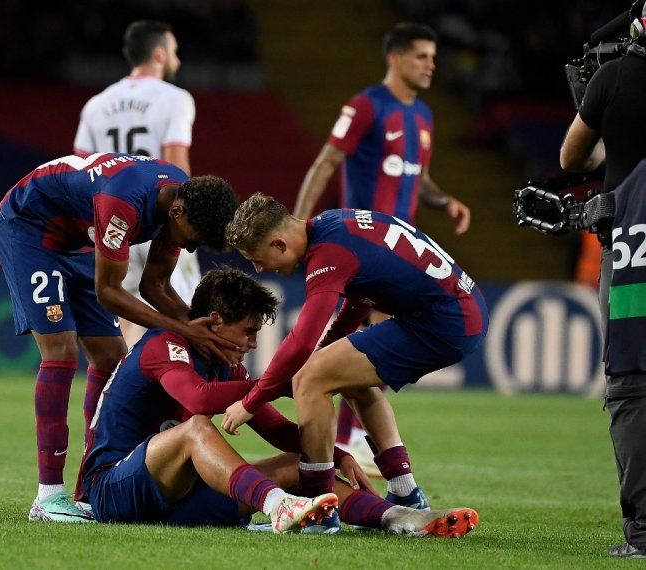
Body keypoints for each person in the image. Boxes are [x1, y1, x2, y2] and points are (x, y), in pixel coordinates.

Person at [77, 268, 479, 537]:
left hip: (177, 502)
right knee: (196, 429)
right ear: (215, 321)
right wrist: (269, 385)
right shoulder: (166, 344)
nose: (252, 344)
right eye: (247, 332)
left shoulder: (227, 367)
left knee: (298, 465)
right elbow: (195, 398)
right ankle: (277, 505)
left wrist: (336, 456)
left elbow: (275, 429)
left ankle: (399, 517)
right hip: (114, 489)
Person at [0, 152, 238, 522]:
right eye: (192, 240)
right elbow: (109, 291)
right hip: (30, 228)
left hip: (78, 241)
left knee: (110, 357)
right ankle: (47, 497)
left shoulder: (179, 197)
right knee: (60, 349)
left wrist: (202, 329)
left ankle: (88, 491)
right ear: (177, 213)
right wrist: (185, 329)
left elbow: (154, 284)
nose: (188, 249)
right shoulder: (122, 203)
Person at [221, 194, 487, 512]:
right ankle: (405, 492)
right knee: (339, 374)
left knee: (312, 377)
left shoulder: (328, 253)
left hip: (445, 321)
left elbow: (301, 341)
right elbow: (358, 301)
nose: (260, 268)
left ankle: (319, 505)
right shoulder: (332, 223)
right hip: (460, 311)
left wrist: (252, 402)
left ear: (280, 244)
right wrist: (319, 359)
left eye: (257, 259)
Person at [293, 22, 472, 469]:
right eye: (421, 56)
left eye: (433, 57)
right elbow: (325, 162)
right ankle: (348, 439)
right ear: (395, 58)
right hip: (361, 252)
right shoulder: (366, 106)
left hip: (402, 252)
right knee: (357, 347)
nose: (431, 65)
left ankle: (351, 439)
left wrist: (444, 200)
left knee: (363, 349)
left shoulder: (423, 116)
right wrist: (299, 221)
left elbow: (419, 178)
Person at [559, 0, 646, 557]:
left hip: (635, 249)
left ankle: (642, 534)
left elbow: (574, 158)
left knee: (632, 385)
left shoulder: (615, 75)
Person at [74, 20, 200, 346]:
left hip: (114, 224)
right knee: (184, 315)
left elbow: (82, 170)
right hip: (161, 220)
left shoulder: (96, 105)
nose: (178, 60)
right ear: (159, 54)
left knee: (126, 321)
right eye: (174, 51)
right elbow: (176, 167)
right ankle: (185, 393)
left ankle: (120, 392)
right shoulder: (175, 99)